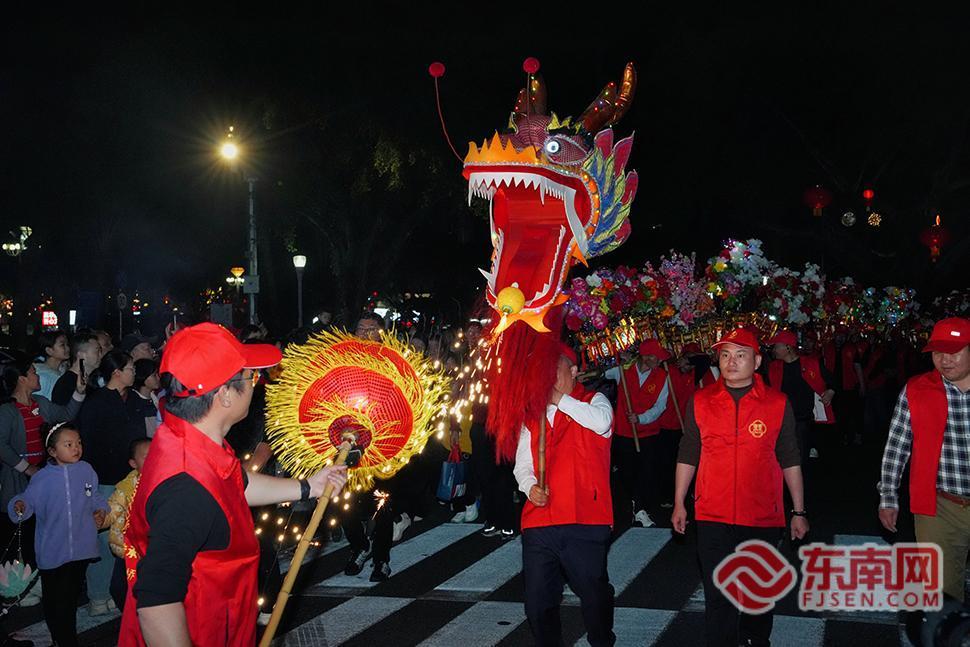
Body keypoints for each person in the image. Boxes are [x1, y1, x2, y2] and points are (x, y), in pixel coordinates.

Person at [118, 322, 348, 646]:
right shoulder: (185, 488)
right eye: (251, 377)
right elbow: (157, 601)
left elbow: (233, 484)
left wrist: (308, 486)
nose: (257, 384)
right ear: (224, 395)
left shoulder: (188, 439)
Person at [672, 327, 808, 647]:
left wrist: (798, 511)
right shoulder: (702, 401)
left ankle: (755, 638)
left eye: (741, 354)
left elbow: (790, 457)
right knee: (718, 594)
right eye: (725, 355)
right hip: (712, 514)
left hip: (761, 515)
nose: (731, 362)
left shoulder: (776, 404)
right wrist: (679, 501)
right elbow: (689, 451)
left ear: (757, 360)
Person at [513, 344, 615, 647]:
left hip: (585, 517)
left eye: (552, 368)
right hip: (540, 520)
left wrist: (559, 400)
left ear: (573, 371)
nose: (544, 376)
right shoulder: (531, 415)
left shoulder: (594, 401)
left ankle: (602, 640)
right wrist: (530, 487)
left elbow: (602, 423)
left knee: (593, 593)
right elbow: (523, 465)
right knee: (537, 600)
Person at [878, 317, 970, 602]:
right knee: (941, 592)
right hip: (940, 506)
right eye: (938, 352)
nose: (945, 360)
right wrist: (888, 497)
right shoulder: (917, 390)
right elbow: (897, 446)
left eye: (954, 351)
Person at [9, 423, 109, 647]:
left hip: (81, 549)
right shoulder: (42, 478)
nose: (76, 448)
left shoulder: (86, 470)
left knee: (67, 599)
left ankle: (66, 640)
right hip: (52, 550)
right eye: (69, 444)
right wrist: (19, 506)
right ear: (52, 451)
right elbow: (27, 502)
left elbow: (95, 497)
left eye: (79, 443)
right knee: (54, 600)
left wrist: (101, 510)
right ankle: (59, 637)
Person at [0, 352, 86, 594]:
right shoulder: (7, 411)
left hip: (43, 477)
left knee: (42, 530)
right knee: (18, 533)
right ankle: (20, 587)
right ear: (21, 379)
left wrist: (79, 391)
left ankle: (37, 581)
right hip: (17, 480)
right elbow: (1, 445)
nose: (37, 375)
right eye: (33, 372)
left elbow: (67, 415)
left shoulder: (41, 403)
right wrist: (27, 469)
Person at [78, 349, 145, 615]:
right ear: (116, 372)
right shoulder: (98, 402)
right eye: (130, 368)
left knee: (122, 539)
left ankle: (112, 592)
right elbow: (89, 444)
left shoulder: (126, 400)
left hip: (127, 480)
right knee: (103, 538)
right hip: (104, 480)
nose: (134, 372)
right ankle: (97, 596)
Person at [604, 339, 670, 528]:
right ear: (646, 357)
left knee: (646, 473)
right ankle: (634, 505)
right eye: (656, 358)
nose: (659, 362)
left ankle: (640, 507)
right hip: (624, 433)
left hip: (648, 433)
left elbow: (660, 406)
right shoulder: (623, 371)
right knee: (627, 472)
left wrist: (641, 418)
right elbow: (601, 373)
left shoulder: (662, 376)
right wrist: (613, 359)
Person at [765, 330, 835, 471]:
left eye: (776, 346)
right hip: (781, 420)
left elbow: (832, 380)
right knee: (783, 458)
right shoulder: (774, 367)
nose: (774, 350)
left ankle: (801, 488)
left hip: (803, 420)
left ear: (788, 347)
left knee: (801, 460)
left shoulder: (811, 364)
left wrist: (830, 391)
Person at [107, 438, 151, 611]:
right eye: (147, 456)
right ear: (133, 463)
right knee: (119, 589)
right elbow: (112, 510)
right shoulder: (127, 487)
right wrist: (99, 518)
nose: (154, 458)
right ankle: (132, 625)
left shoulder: (169, 481)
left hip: (154, 551)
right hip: (128, 549)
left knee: (150, 593)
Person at [51, 331, 103, 406]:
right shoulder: (66, 385)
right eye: (97, 351)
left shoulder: (91, 380)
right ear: (81, 355)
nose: (100, 355)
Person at [126, 359, 160, 437]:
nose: (158, 378)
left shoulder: (155, 399)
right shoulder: (135, 404)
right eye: (154, 375)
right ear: (143, 377)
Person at [32, 330, 70, 400]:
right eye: (62, 345)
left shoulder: (64, 371)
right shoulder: (42, 377)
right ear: (49, 351)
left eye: (67, 344)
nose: (67, 348)